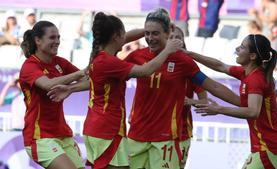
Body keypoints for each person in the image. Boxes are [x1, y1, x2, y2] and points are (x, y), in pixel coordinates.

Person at [47, 11, 183, 169]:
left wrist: (150, 30)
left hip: (99, 129)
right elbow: (146, 71)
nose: (126, 37)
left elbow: (94, 81)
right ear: (116, 36)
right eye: (123, 34)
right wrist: (167, 50)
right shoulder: (109, 62)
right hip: (106, 130)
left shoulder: (101, 56)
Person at [124, 8, 240, 169]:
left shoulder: (183, 61)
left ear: (167, 33)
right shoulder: (136, 56)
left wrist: (242, 102)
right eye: (147, 33)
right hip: (136, 134)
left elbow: (211, 85)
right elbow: (111, 68)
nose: (150, 38)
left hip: (165, 138)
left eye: (155, 33)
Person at [188, 34, 277, 168]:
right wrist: (189, 54)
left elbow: (253, 112)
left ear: (252, 56)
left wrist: (219, 109)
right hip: (270, 148)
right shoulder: (248, 73)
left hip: (270, 149)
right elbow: (220, 66)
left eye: (242, 47)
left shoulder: (255, 79)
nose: (237, 49)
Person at [19, 20, 86, 169]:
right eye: (52, 38)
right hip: (39, 138)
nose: (57, 42)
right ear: (38, 40)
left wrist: (70, 89)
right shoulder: (30, 66)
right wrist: (80, 73)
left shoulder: (60, 62)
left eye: (58, 38)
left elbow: (91, 81)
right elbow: (48, 84)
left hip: (63, 134)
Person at [169, 26, 208, 168]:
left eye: (178, 37)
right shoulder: (153, 64)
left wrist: (190, 101)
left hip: (181, 132)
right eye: (170, 37)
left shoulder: (190, 67)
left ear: (183, 43)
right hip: (153, 132)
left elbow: (205, 100)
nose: (174, 40)